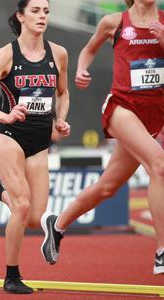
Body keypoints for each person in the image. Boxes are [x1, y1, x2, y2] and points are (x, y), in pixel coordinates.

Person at [40, 0, 164, 275]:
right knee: (159, 164)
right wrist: (82, 69)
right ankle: (161, 252)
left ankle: (57, 225)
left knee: (108, 187)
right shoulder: (114, 22)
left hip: (154, 113)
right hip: (123, 107)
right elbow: (89, 49)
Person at [0, 0, 70, 294]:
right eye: (36, 11)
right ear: (21, 16)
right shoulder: (5, 55)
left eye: (46, 11)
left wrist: (61, 119)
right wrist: (5, 115)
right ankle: (11, 276)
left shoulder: (59, 54)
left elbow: (63, 94)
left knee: (33, 217)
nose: (42, 16)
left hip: (40, 141)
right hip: (8, 136)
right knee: (23, 204)